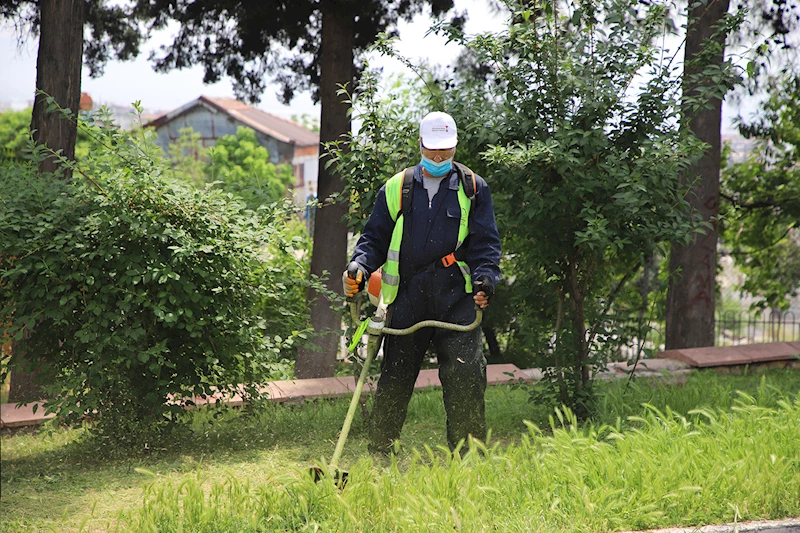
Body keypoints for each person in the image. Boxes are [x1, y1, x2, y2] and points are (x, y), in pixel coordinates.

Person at [342, 111, 502, 454]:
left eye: (446, 151)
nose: (439, 158)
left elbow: (486, 245)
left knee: (465, 379)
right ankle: (381, 454)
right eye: (432, 151)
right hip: (408, 297)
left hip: (457, 298)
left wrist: (486, 279)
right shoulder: (398, 188)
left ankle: (469, 458)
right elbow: (373, 240)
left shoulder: (474, 188)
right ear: (420, 145)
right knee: (394, 381)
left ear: (456, 147)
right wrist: (358, 265)